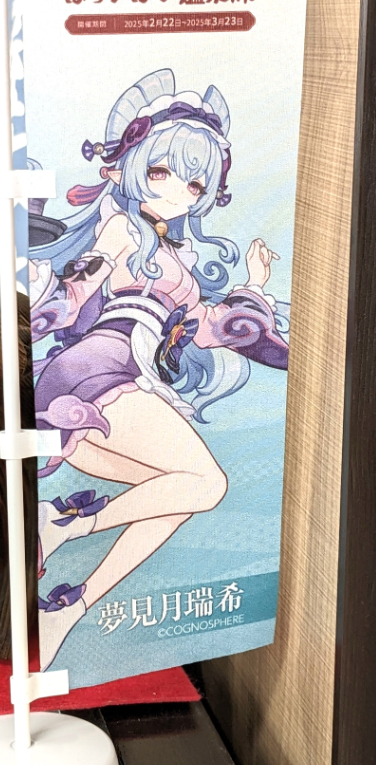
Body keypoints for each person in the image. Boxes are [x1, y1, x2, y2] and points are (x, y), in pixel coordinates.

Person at [29, 68, 288, 670]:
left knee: (178, 496)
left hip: (124, 378)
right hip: (96, 371)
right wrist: (59, 295)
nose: (178, 192)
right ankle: (63, 526)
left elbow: (207, 327)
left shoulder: (176, 253)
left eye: (194, 182)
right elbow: (84, 277)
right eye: (162, 171)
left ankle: (73, 603)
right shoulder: (121, 227)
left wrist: (254, 285)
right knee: (208, 483)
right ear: (131, 164)